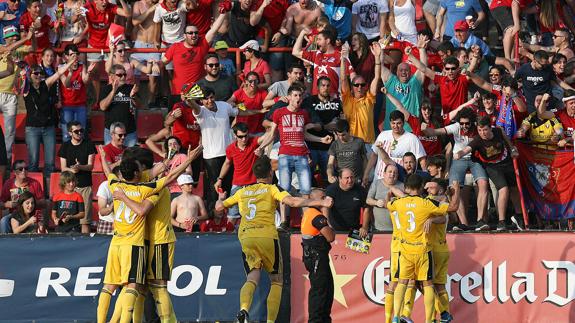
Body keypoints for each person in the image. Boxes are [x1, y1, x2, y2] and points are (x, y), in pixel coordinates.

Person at [215, 155, 333, 323]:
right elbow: (292, 201)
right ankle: (271, 321)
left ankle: (243, 309)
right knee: (276, 281)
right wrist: (318, 202)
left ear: (255, 175)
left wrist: (220, 199)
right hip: (266, 237)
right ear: (270, 173)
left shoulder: (242, 192)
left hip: (246, 237)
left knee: (252, 277)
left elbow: (219, 207)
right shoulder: (272, 189)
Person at [97, 145, 202, 323]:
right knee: (139, 287)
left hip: (157, 239)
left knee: (154, 286)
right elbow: (168, 178)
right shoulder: (146, 187)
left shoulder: (120, 185)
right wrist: (187, 161)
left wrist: (103, 156)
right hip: (141, 241)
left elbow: (109, 173)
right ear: (139, 172)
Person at [388, 174, 459, 323]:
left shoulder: (400, 203)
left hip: (406, 249)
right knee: (428, 284)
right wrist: (457, 191)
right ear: (421, 187)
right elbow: (453, 208)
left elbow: (389, 204)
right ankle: (429, 319)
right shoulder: (426, 204)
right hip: (424, 250)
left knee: (403, 282)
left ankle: (396, 316)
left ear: (407, 187)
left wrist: (391, 194)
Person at [268, 83, 329, 227]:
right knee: (284, 190)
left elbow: (305, 135)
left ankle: (305, 220)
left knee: (305, 191)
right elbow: (272, 134)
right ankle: (284, 220)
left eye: (300, 96)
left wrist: (321, 139)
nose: (298, 98)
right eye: (295, 95)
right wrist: (262, 147)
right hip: (284, 154)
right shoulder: (279, 113)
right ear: (288, 97)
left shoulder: (304, 114)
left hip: (301, 155)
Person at [423, 108, 489, 231]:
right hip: (459, 159)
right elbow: (435, 132)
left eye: (467, 123)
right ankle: (464, 223)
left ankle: (480, 221)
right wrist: (425, 129)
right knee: (454, 186)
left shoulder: (477, 127)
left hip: (476, 159)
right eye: (462, 123)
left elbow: (491, 131)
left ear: (472, 122)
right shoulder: (456, 126)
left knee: (483, 183)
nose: (464, 126)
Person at [454, 116, 525, 231]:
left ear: (490, 128)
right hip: (492, 166)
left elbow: (507, 140)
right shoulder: (478, 140)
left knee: (514, 190)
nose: (483, 133)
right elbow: (467, 149)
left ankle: (519, 216)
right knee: (504, 189)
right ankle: (501, 222)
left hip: (506, 162)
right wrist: (459, 154)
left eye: (485, 130)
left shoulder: (498, 131)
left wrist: (512, 149)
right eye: (480, 130)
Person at [214, 122, 274, 225]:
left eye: (246, 136)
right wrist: (219, 179)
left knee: (256, 213)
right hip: (237, 184)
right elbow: (227, 163)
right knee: (232, 215)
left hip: (253, 184)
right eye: (240, 137)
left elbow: (270, 136)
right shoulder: (230, 148)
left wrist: (273, 126)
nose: (244, 139)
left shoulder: (254, 142)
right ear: (235, 135)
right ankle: (227, 238)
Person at [161, 16, 225, 106]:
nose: (194, 35)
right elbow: (162, 62)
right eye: (190, 33)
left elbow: (214, 29)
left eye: (196, 32)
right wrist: (156, 64)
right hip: (179, 93)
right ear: (184, 35)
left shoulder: (202, 44)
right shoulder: (175, 47)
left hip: (198, 94)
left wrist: (223, 13)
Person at [23, 61, 72, 174]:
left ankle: (49, 190)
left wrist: (70, 62)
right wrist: (24, 74)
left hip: (48, 127)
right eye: (36, 73)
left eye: (41, 73)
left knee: (50, 163)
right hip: (32, 128)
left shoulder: (45, 84)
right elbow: (22, 83)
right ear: (30, 75)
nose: (39, 75)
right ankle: (34, 189)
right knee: (33, 162)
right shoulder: (26, 88)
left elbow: (59, 73)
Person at [301, 187, 335, 323]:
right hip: (317, 257)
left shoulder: (309, 212)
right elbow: (330, 236)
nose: (326, 200)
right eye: (323, 198)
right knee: (320, 291)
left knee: (326, 289)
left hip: (313, 256)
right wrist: (326, 211)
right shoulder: (317, 216)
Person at [364, 110, 426, 184]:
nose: (395, 126)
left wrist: (425, 178)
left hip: (400, 181)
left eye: (398, 123)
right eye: (393, 123)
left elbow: (422, 160)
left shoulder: (412, 138)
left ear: (403, 123)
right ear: (390, 123)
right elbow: (374, 155)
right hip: (379, 179)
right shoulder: (383, 135)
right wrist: (366, 173)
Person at [293, 27, 356, 96]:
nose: (317, 42)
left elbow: (352, 75)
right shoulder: (316, 54)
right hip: (316, 99)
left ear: (327, 41)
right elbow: (295, 52)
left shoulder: (340, 56)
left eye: (319, 39)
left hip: (333, 100)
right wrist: (302, 33)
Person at [58, 121, 96, 234]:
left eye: (81, 130)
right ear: (70, 133)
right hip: (69, 188)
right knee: (67, 219)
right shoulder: (65, 146)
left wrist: (80, 167)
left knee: (85, 221)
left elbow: (90, 166)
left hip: (85, 186)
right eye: (76, 131)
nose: (79, 133)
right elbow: (63, 168)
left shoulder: (89, 144)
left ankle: (85, 247)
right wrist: (73, 169)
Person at [302, 76, 343, 181]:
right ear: (317, 87)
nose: (326, 88)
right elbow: (308, 121)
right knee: (309, 178)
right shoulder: (309, 101)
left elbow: (342, 121)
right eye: (323, 85)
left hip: (329, 148)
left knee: (329, 178)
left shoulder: (336, 103)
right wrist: (325, 126)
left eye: (328, 85)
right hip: (312, 146)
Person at [341, 41, 381, 147]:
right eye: (356, 85)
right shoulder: (347, 98)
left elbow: (377, 77)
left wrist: (377, 57)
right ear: (352, 86)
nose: (359, 87)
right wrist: (343, 58)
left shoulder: (369, 98)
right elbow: (343, 79)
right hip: (350, 145)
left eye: (362, 85)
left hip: (367, 144)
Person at [59, 44, 95, 142]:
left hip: (80, 105)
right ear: (66, 56)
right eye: (72, 55)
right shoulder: (61, 67)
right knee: (67, 135)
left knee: (81, 133)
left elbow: (85, 80)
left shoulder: (81, 65)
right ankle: (67, 156)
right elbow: (66, 84)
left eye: (76, 54)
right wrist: (70, 72)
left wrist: (89, 72)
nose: (75, 57)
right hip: (67, 105)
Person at [99, 64, 140, 147]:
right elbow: (103, 107)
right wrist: (113, 91)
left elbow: (139, 105)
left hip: (129, 131)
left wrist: (133, 96)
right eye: (120, 75)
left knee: (132, 157)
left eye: (124, 75)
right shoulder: (106, 89)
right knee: (110, 157)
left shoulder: (131, 88)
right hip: (111, 132)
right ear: (112, 76)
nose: (123, 77)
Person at [326, 168, 368, 233]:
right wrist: (328, 225)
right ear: (340, 179)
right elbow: (325, 207)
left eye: (352, 177)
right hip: (335, 231)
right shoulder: (331, 190)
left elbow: (367, 208)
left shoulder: (360, 190)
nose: (350, 180)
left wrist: (364, 227)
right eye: (347, 178)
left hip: (355, 230)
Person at [327, 119, 367, 184]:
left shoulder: (359, 142)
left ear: (349, 131)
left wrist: (365, 175)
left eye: (343, 135)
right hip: (341, 181)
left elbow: (365, 160)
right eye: (338, 135)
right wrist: (329, 175)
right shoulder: (335, 144)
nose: (341, 138)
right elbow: (330, 163)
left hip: (357, 179)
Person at [366, 163, 403, 232]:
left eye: (395, 173)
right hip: (378, 229)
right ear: (384, 173)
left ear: (398, 175)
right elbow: (368, 200)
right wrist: (376, 202)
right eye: (390, 172)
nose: (392, 174)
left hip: (397, 230)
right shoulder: (376, 183)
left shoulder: (402, 186)